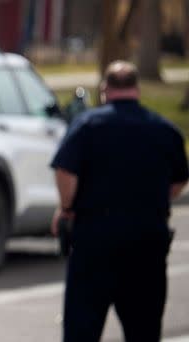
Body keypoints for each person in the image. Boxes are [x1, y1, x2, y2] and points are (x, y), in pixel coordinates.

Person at [50, 60, 188, 342]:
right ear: (137, 89)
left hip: (95, 240)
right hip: (147, 242)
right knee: (144, 330)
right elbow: (179, 180)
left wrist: (67, 208)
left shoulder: (87, 125)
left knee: (82, 330)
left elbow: (65, 169)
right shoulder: (165, 130)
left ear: (105, 90)